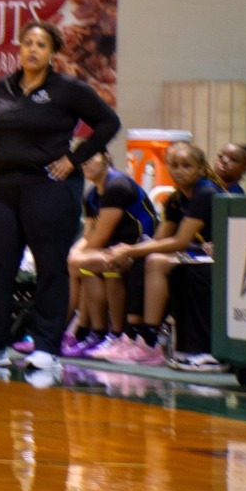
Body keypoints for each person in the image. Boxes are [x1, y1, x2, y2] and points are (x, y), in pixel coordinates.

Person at [0, 19, 121, 376]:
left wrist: (74, 159)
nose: (33, 50)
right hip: (4, 188)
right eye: (27, 44)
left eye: (41, 45)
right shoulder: (2, 88)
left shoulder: (67, 89)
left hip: (48, 186)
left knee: (50, 267)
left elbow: (108, 123)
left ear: (53, 52)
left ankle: (46, 348)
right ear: (19, 49)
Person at [103, 141, 224, 370]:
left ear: (200, 169)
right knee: (139, 256)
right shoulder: (176, 199)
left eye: (186, 165)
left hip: (217, 255)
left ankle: (150, 339)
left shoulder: (205, 192)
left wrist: (128, 248)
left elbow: (178, 241)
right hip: (192, 253)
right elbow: (160, 240)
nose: (179, 170)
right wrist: (130, 252)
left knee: (155, 261)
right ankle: (131, 334)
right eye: (174, 165)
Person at [62, 151, 158, 359]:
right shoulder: (91, 195)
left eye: (91, 156)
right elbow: (88, 237)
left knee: (78, 263)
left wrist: (74, 258)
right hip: (110, 252)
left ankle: (67, 331)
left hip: (139, 250)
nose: (85, 162)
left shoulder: (117, 186)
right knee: (82, 266)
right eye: (82, 159)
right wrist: (73, 254)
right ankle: (92, 335)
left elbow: (100, 237)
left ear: (106, 156)